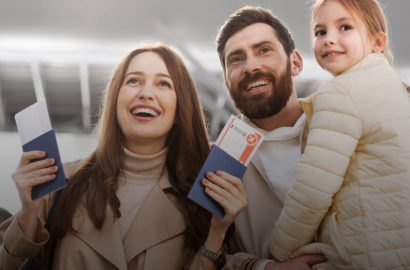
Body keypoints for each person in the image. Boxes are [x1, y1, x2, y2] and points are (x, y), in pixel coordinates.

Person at [0, 43, 248, 270]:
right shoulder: (59, 183)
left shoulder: (199, 201)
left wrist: (217, 233)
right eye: (134, 81)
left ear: (178, 110)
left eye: (163, 84)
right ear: (115, 100)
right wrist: (29, 213)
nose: (146, 93)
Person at [269, 0, 410, 269]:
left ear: (377, 41)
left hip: (360, 254)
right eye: (320, 32)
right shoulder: (397, 90)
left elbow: (312, 191)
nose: (329, 40)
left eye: (344, 27)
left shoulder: (341, 93)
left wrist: (278, 250)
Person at [215, 6, 326, 270]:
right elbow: (204, 257)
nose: (251, 66)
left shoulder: (343, 126)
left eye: (264, 50)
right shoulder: (218, 160)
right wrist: (264, 268)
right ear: (226, 80)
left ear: (295, 63)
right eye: (236, 59)